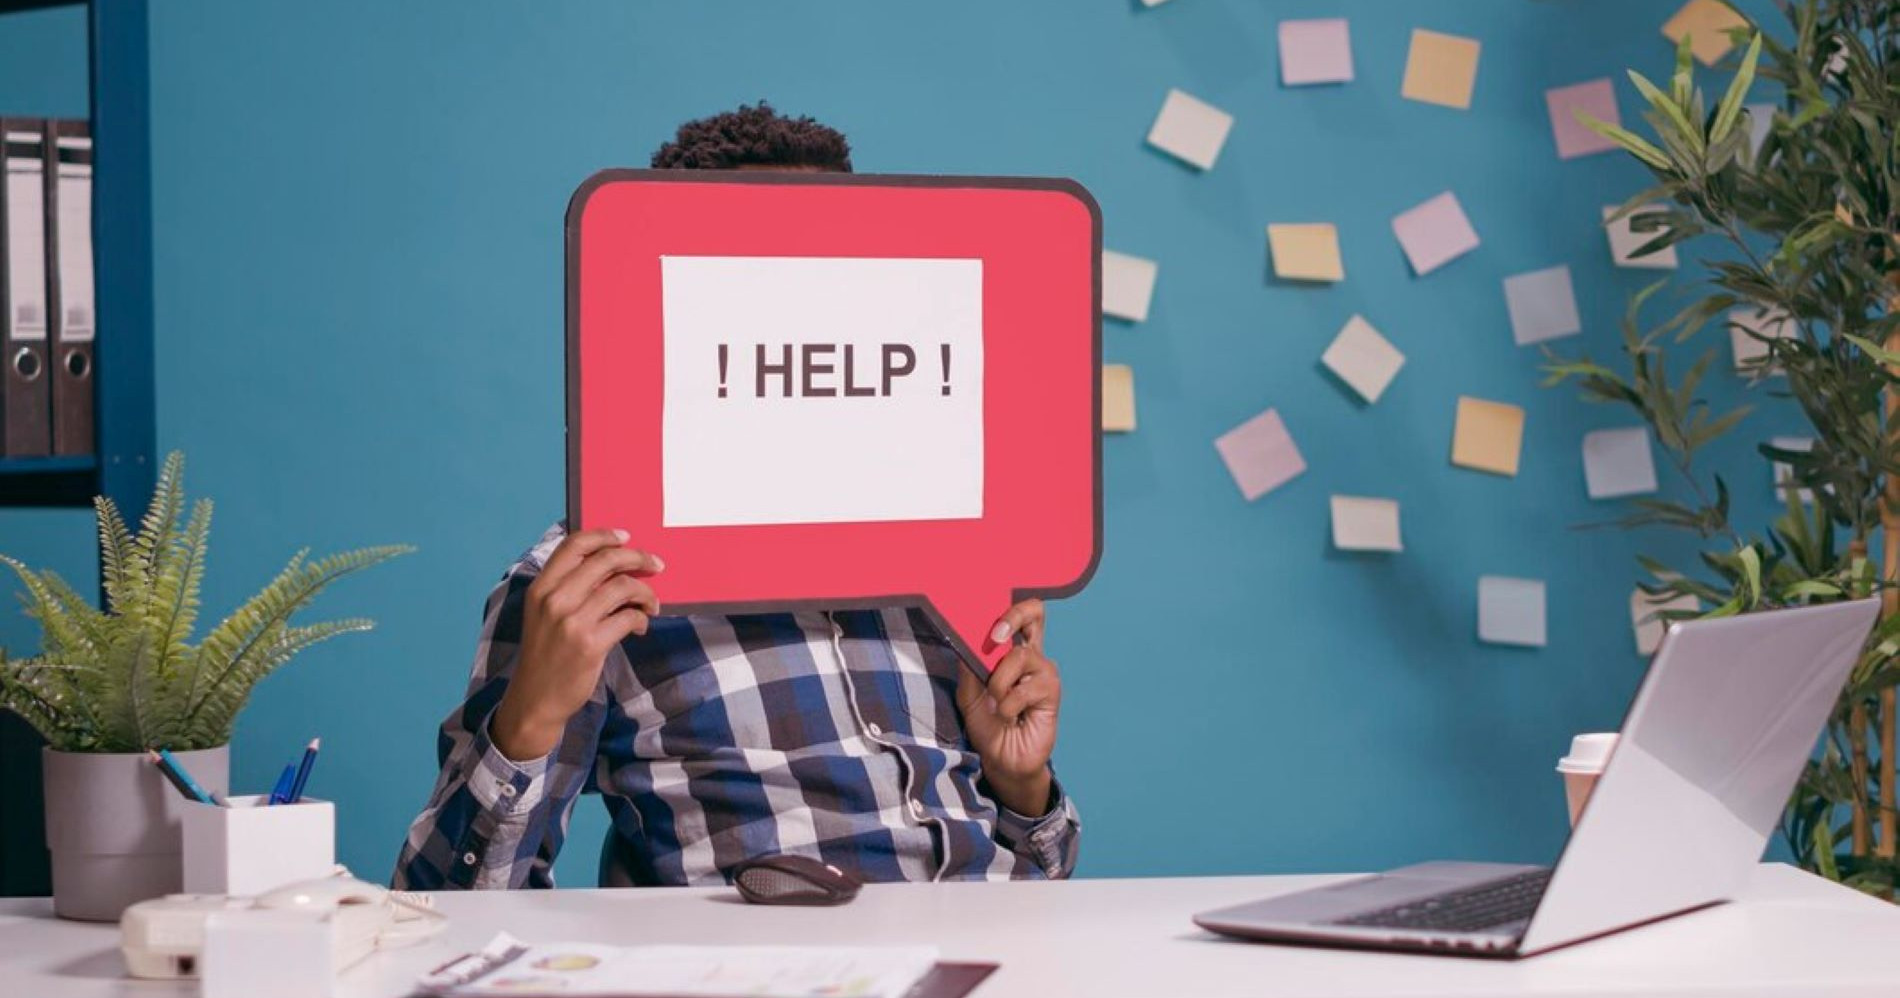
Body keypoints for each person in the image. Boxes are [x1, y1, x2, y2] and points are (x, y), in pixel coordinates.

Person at [394, 103, 1078, 890]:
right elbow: (442, 910)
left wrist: (1021, 784)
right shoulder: (590, 584)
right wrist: (527, 723)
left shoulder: (946, 550)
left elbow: (1040, 885)